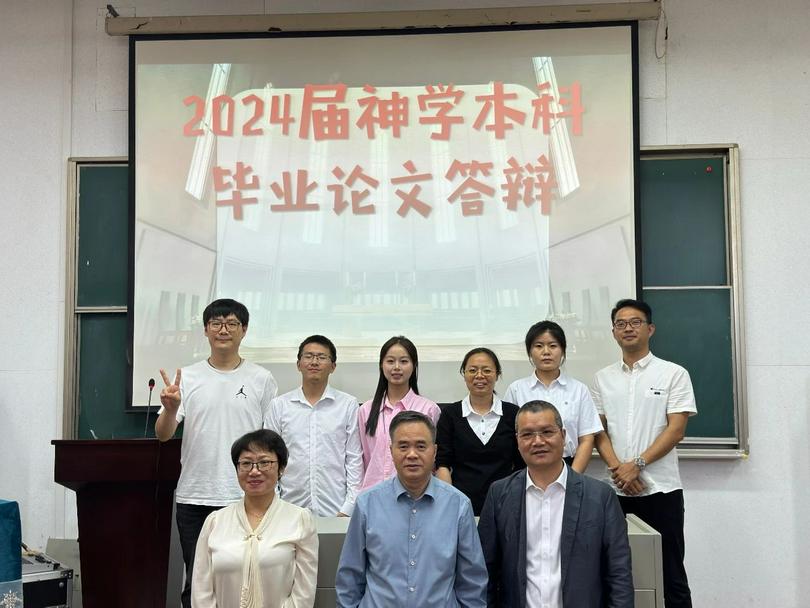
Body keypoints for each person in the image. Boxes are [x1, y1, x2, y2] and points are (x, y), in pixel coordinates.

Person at [155, 298, 278, 608]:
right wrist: (170, 410)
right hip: (195, 496)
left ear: (244, 330)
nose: (224, 329)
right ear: (206, 330)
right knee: (199, 581)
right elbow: (163, 434)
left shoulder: (261, 379)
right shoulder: (189, 377)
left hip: (247, 497)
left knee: (247, 579)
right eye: (217, 323)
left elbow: (272, 439)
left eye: (232, 323)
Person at [592, 298, 697, 608]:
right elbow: (598, 431)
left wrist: (636, 465)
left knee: (671, 573)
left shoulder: (673, 373)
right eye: (621, 323)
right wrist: (619, 470)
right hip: (616, 491)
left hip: (661, 489)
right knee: (616, 574)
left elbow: (676, 430)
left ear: (650, 329)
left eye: (635, 322)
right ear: (613, 332)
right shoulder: (602, 378)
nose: (628, 328)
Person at [478, 400, 634, 608]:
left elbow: (619, 574)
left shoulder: (600, 496)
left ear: (563, 435)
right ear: (517, 441)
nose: (538, 441)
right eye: (527, 434)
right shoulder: (499, 493)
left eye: (547, 432)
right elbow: (484, 571)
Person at [335, 411, 487, 608]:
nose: (412, 454)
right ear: (391, 451)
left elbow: (473, 583)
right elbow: (349, 578)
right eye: (403, 446)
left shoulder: (458, 506)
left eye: (421, 446)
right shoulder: (367, 504)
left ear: (434, 451)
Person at [191, 429, 318, 608]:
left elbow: (304, 592)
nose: (254, 471)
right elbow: (201, 590)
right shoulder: (214, 522)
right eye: (246, 463)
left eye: (265, 462)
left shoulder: (300, 520)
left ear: (281, 468)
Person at [265, 335, 363, 517]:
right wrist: (275, 505)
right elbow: (269, 459)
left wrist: (349, 507)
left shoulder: (348, 404)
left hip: (336, 509)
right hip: (287, 509)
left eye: (321, 357)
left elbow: (354, 459)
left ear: (333, 366)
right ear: (298, 364)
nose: (314, 362)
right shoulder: (279, 405)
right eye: (308, 356)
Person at [504, 320, 603, 472]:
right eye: (538, 346)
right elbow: (511, 437)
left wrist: (571, 478)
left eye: (553, 345)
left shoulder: (578, 389)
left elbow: (587, 439)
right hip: (526, 468)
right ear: (529, 351)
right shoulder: (516, 389)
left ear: (563, 351)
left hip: (569, 465)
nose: (546, 352)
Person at [435, 347, 523, 515]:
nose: (479, 376)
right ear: (464, 374)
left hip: (506, 506)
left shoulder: (513, 414)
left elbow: (521, 465)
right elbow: (443, 464)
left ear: (497, 374)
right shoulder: (450, 415)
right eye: (473, 370)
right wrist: (452, 505)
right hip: (461, 508)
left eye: (487, 370)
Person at [358, 336, 440, 490]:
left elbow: (432, 462)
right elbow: (362, 460)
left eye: (404, 361)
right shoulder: (366, 410)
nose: (396, 367)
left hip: (415, 495)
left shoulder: (429, 409)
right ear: (381, 365)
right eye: (390, 361)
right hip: (373, 496)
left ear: (414, 365)